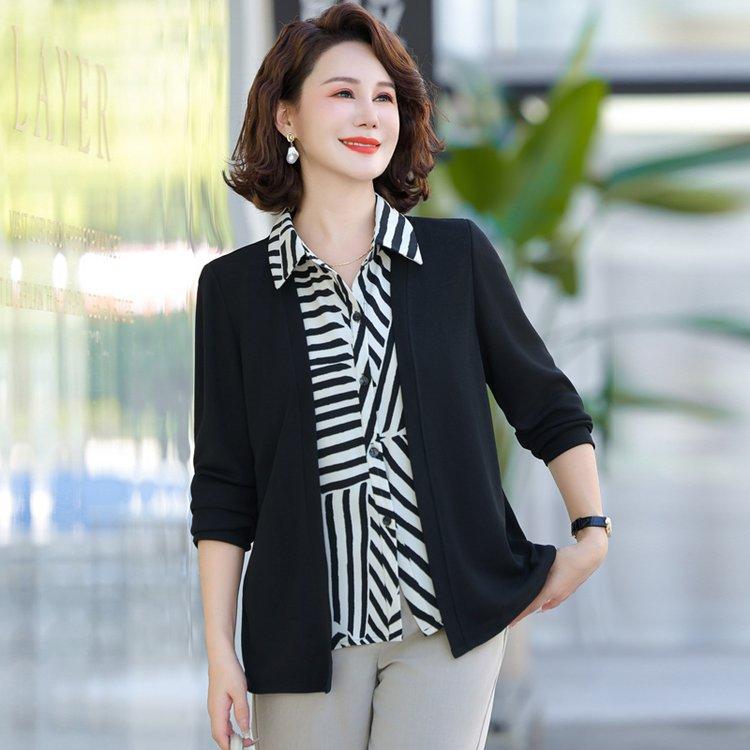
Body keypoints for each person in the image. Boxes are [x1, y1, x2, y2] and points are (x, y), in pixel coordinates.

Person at [189, 4, 608, 750]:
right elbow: (225, 485)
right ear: (286, 118)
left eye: (384, 97)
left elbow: (544, 401)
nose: (369, 114)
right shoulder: (235, 290)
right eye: (342, 93)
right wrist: (221, 651)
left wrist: (591, 531)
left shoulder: (455, 260)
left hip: (449, 628)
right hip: (305, 638)